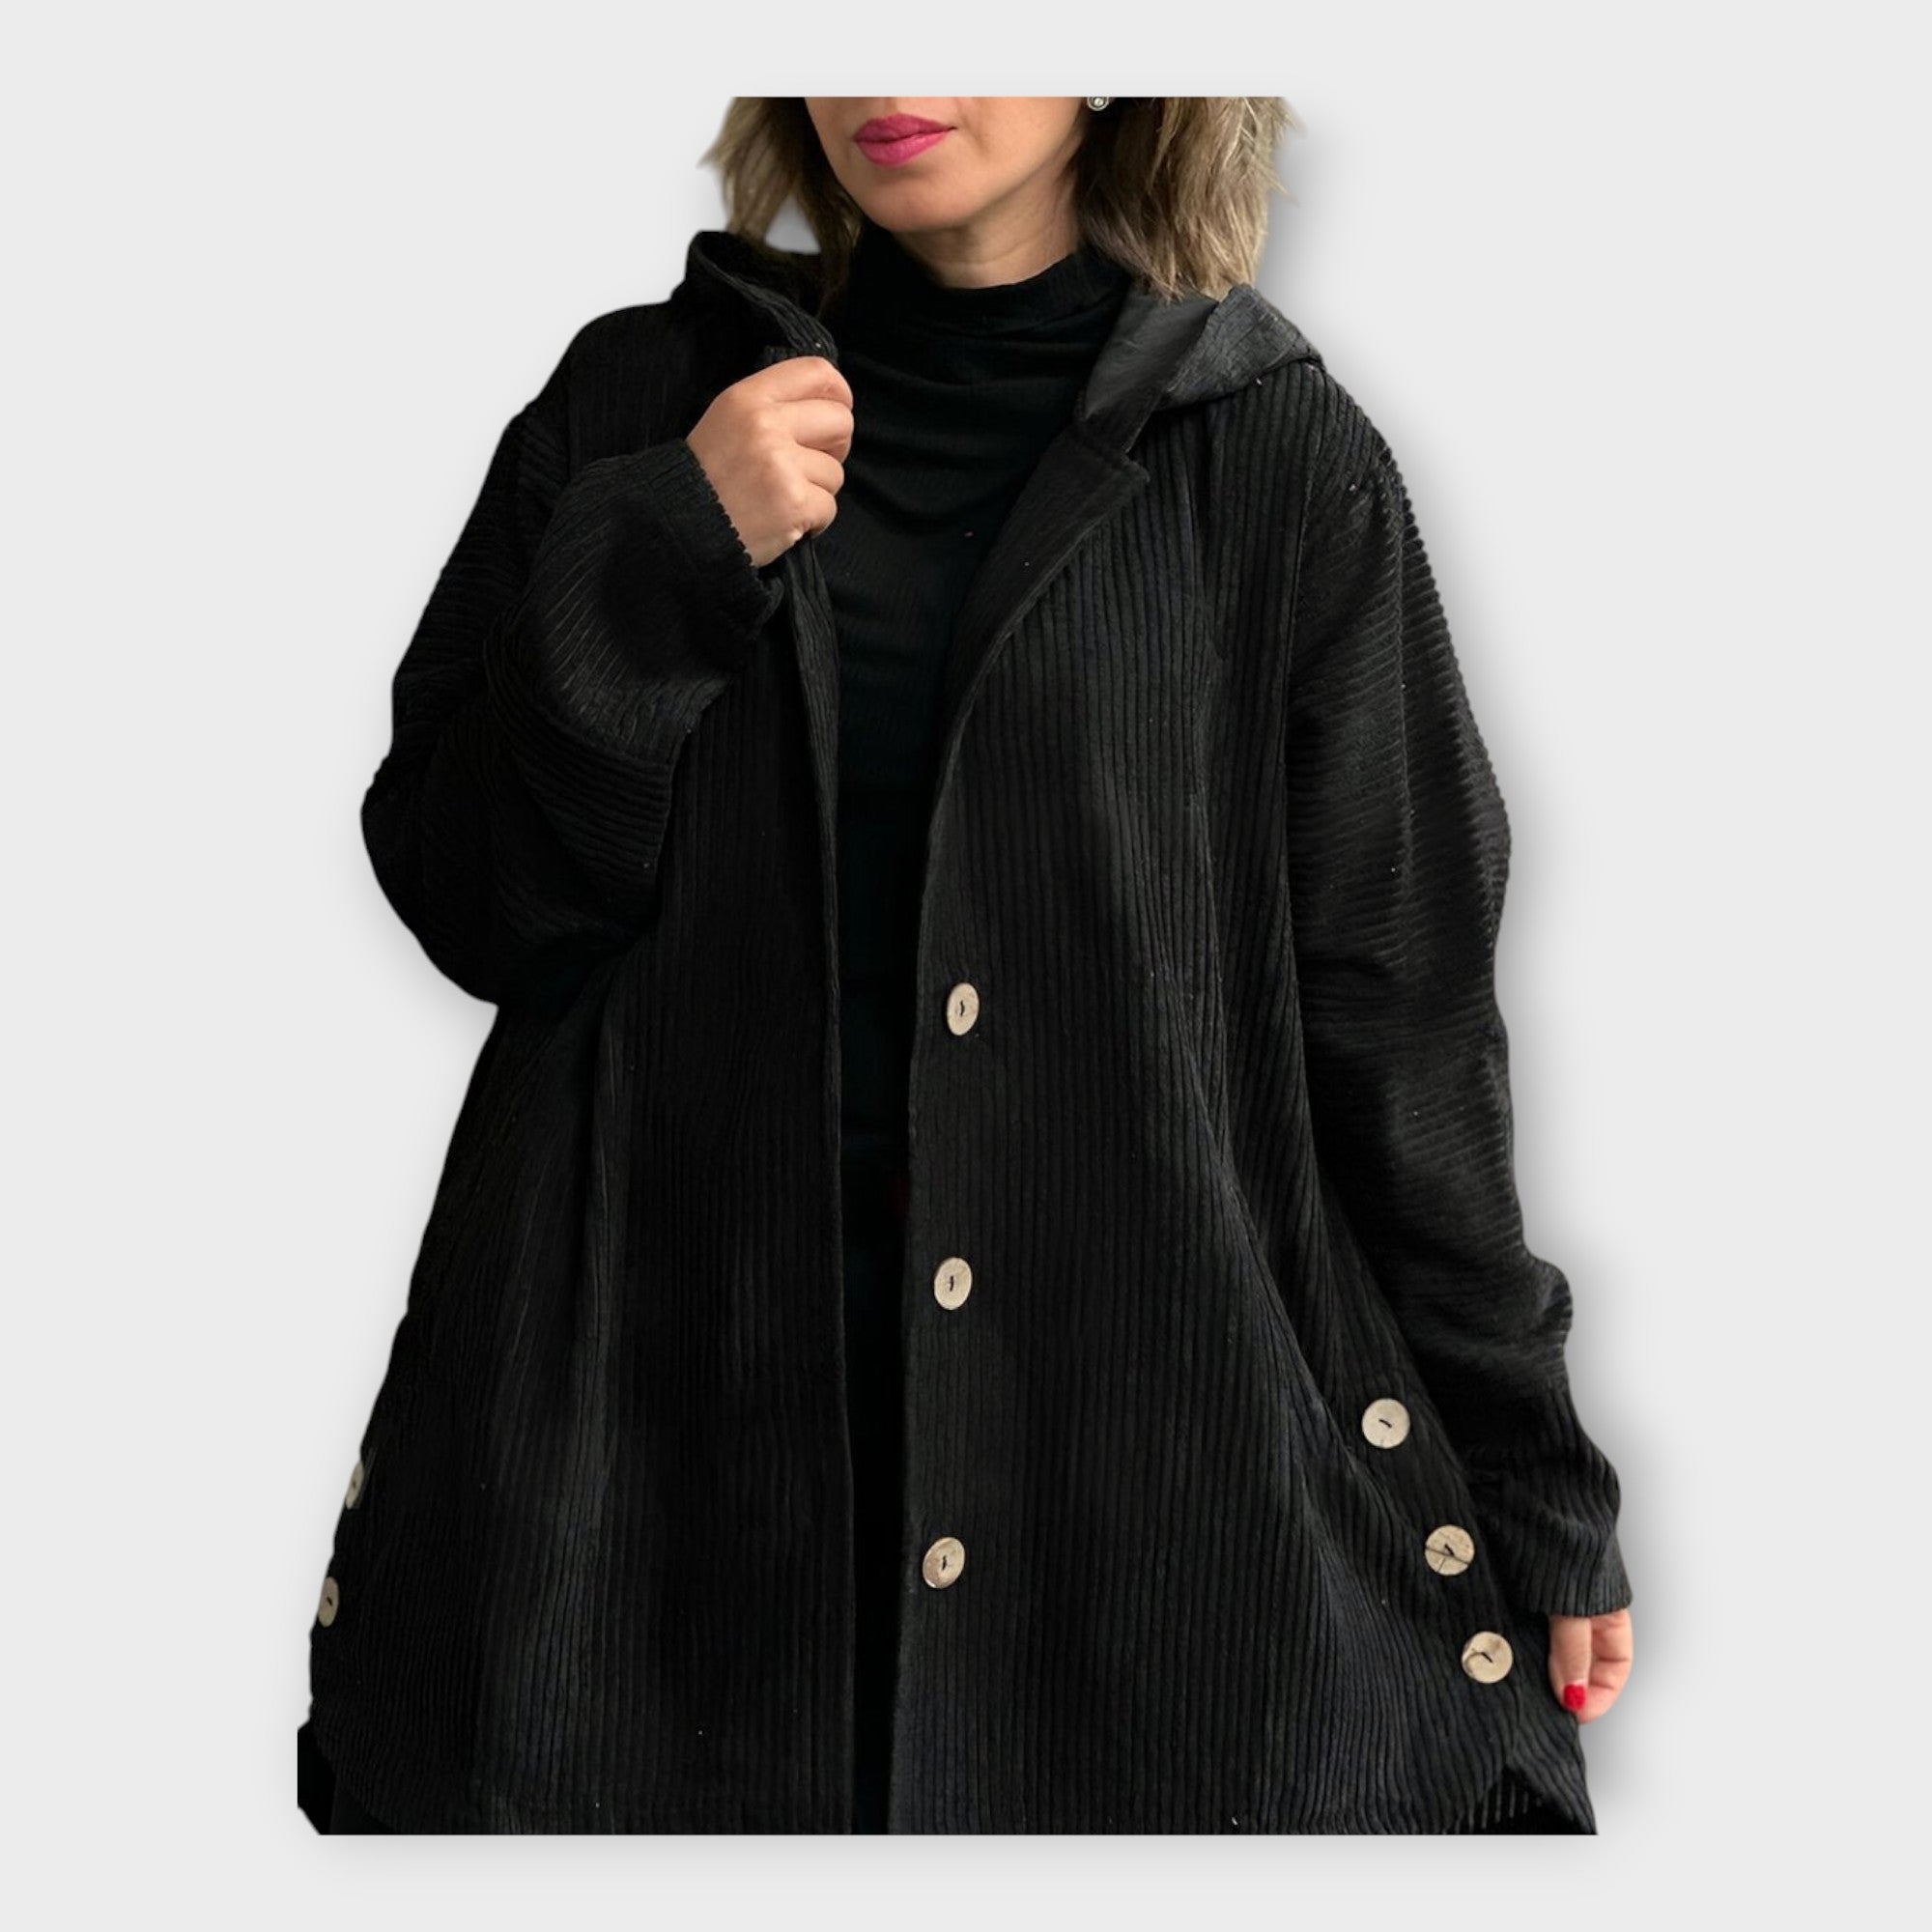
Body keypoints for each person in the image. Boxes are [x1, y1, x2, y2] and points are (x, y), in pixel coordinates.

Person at [298, 96, 1635, 1835]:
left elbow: (1405, 1024)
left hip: (1129, 1486)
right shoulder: (638, 405)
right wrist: (667, 550)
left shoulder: (1279, 461)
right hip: (652, 1488)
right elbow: (468, 896)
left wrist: (1531, 1479)